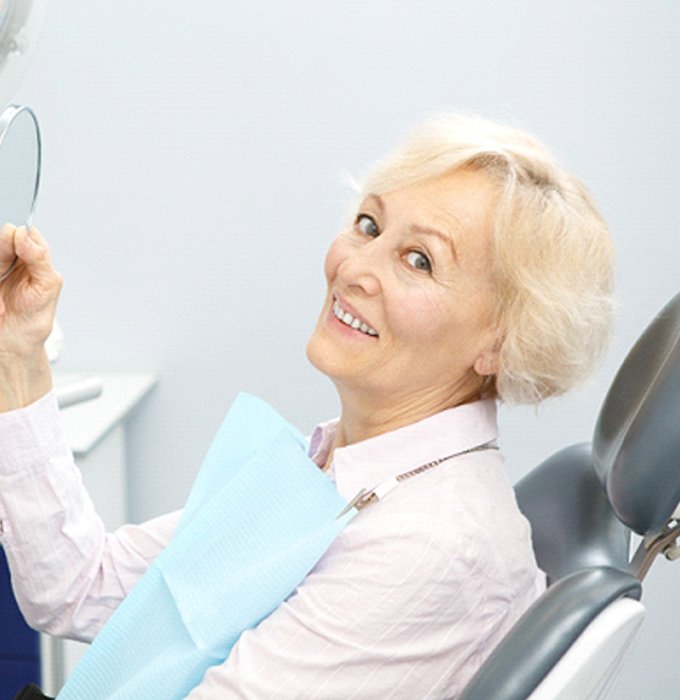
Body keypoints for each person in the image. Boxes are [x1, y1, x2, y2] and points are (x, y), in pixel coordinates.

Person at [0, 113, 615, 698]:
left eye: (419, 260)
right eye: (370, 225)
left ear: (502, 343)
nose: (354, 267)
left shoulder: (427, 548)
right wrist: (19, 355)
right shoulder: (339, 466)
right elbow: (79, 588)